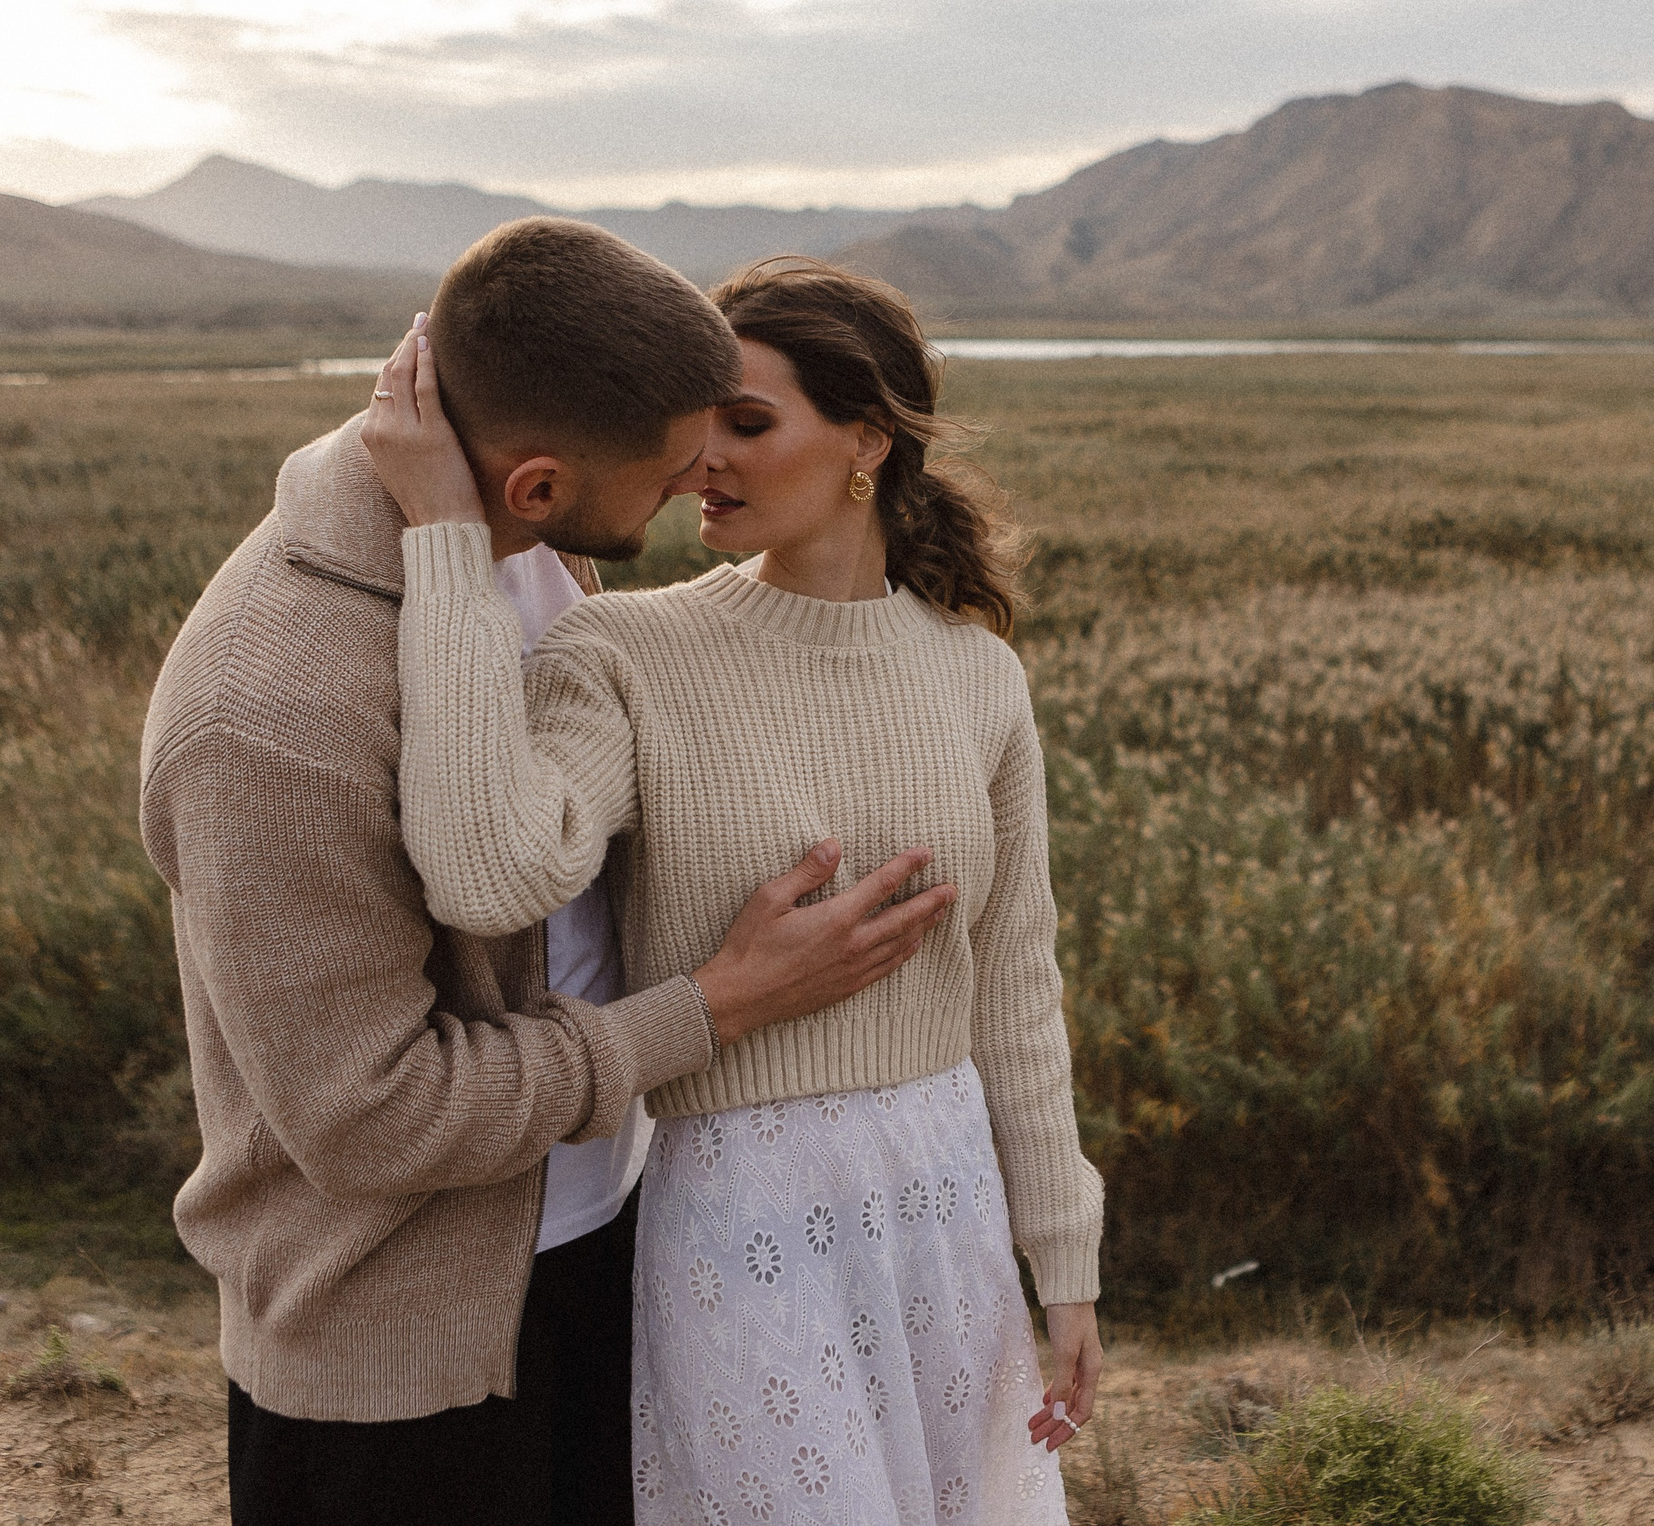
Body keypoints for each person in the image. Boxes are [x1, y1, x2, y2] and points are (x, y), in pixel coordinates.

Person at [138, 220, 957, 1526]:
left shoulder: (527, 554)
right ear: (533, 483)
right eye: (675, 463)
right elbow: (371, 1115)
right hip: (399, 1361)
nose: (702, 483)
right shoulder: (272, 713)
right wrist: (712, 1007)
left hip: (595, 1252)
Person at [362, 258, 1103, 1525]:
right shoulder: (626, 648)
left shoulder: (979, 677)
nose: (704, 458)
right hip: (741, 1208)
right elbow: (490, 870)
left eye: (749, 425)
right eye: (701, 425)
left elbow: (1016, 987)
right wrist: (444, 533)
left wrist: (1065, 1259)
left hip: (943, 1199)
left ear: (866, 439)